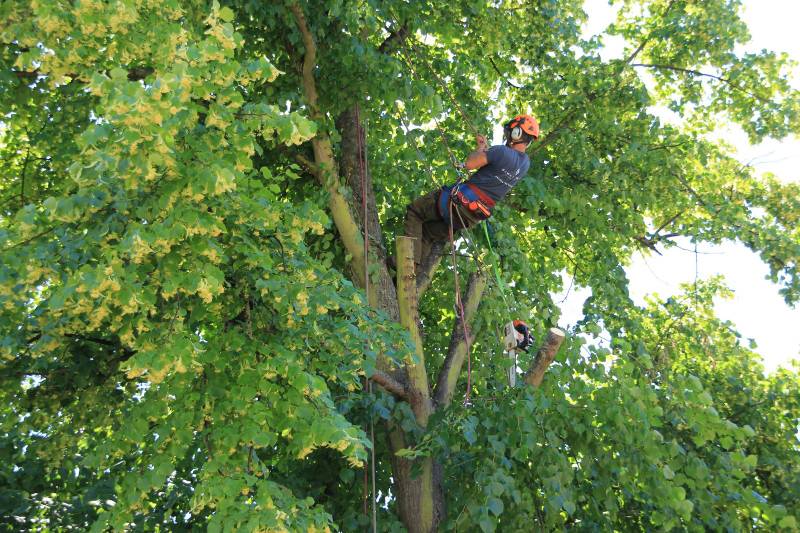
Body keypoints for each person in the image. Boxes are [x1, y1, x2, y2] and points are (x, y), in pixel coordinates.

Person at [403, 114, 539, 268]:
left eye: (511, 131)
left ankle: (405, 265)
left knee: (415, 211)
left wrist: (480, 149)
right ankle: (407, 272)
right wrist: (487, 151)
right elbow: (496, 167)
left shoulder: (501, 152)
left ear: (517, 133)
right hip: (470, 217)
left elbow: (469, 164)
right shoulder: (525, 164)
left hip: (458, 203)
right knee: (427, 233)